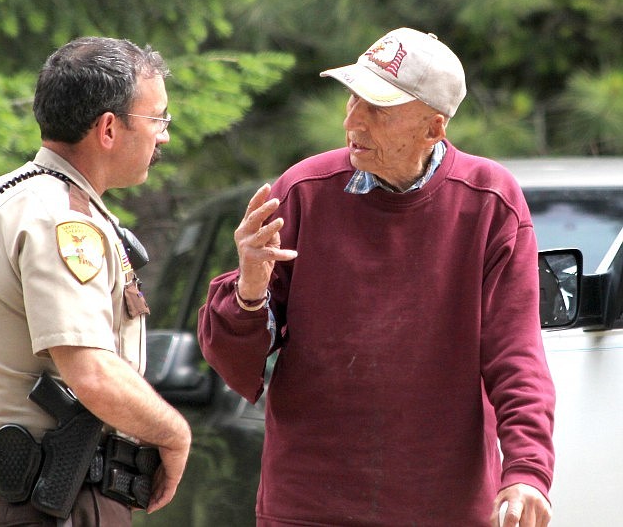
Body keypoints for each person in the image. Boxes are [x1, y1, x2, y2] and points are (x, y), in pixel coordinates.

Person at [198, 27, 555, 526]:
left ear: (434, 129)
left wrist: (526, 470)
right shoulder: (302, 190)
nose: (353, 122)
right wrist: (250, 289)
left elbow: (515, 353)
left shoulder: (490, 201)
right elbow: (234, 360)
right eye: (351, 101)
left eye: (378, 108)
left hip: (445, 505)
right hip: (309, 506)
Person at [0, 37, 191, 526]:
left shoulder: (14, 195)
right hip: (52, 502)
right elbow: (92, 374)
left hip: (27, 495)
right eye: (158, 118)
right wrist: (174, 434)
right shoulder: (61, 219)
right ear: (109, 129)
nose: (164, 136)